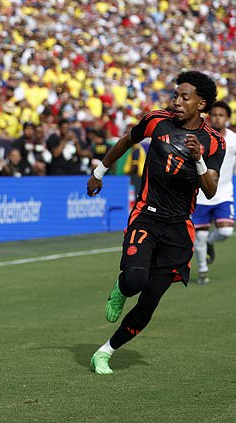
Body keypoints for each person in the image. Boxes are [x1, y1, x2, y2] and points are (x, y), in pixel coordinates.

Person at [86, 71, 225, 375]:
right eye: (175, 95)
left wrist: (198, 158)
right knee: (135, 282)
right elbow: (126, 141)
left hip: (178, 229)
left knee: (149, 303)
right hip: (146, 216)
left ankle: (104, 352)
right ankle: (121, 289)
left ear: (201, 103)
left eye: (184, 97)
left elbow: (210, 189)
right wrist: (99, 172)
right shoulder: (156, 120)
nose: (176, 101)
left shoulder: (214, 142)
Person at [191, 101, 236, 284]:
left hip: (223, 194)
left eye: (221, 115)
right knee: (199, 236)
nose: (217, 118)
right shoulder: (201, 136)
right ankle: (202, 270)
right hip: (201, 195)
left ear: (227, 118)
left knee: (225, 231)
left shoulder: (233, 139)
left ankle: (211, 241)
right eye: (214, 115)